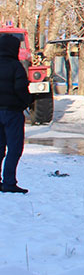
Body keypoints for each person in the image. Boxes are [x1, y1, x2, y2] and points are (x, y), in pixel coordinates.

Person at [0, 33, 32, 194]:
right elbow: (21, 89)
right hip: (12, 112)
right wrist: (26, 103)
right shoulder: (16, 66)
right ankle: (9, 182)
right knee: (14, 148)